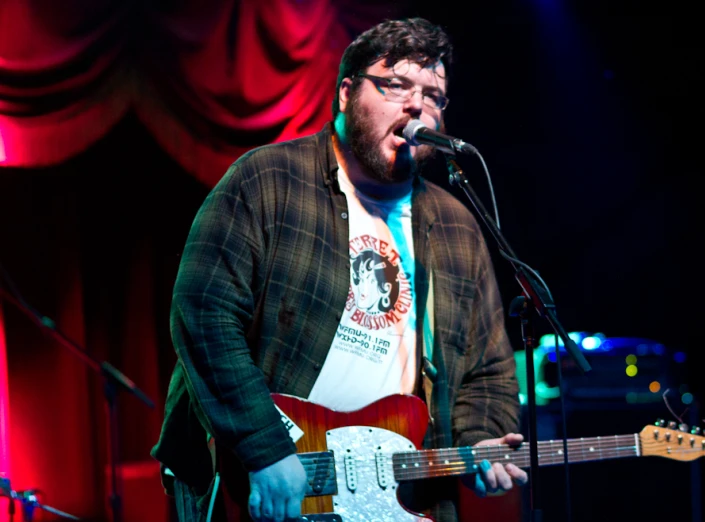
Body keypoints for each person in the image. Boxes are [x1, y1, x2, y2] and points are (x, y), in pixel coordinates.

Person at [151, 17, 526, 522]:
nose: (416, 105)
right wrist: (264, 447)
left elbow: (488, 368)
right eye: (395, 85)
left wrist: (480, 437)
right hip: (261, 482)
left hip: (396, 496)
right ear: (347, 93)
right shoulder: (268, 180)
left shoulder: (456, 225)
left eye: (433, 95)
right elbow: (203, 314)